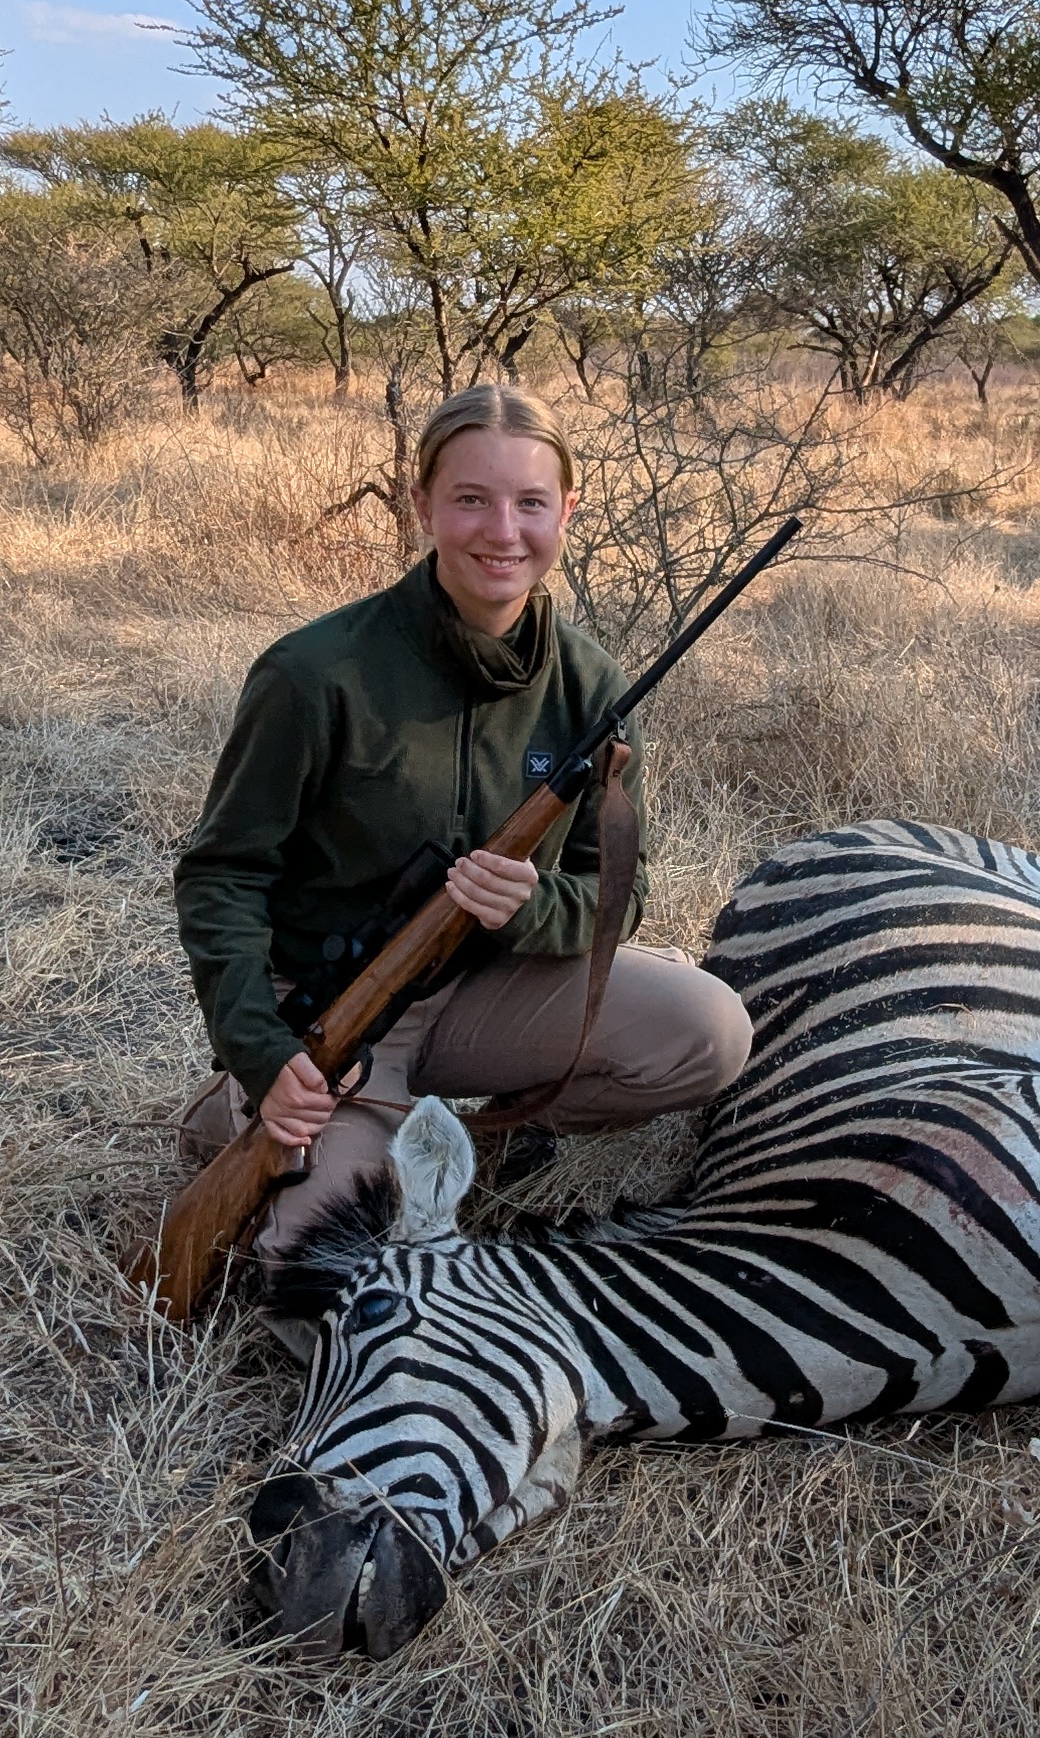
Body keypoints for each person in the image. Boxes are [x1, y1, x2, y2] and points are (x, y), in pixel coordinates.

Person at [171, 382, 750, 1256]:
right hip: (337, 1018)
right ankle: (244, 1112)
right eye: (472, 499)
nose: (503, 531)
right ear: (423, 505)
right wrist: (260, 1049)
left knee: (710, 1034)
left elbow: (614, 899)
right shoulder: (312, 673)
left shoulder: (591, 684)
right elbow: (222, 875)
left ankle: (474, 1134)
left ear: (568, 511)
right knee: (321, 1262)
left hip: (490, 987)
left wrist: (530, 906)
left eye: (531, 503)